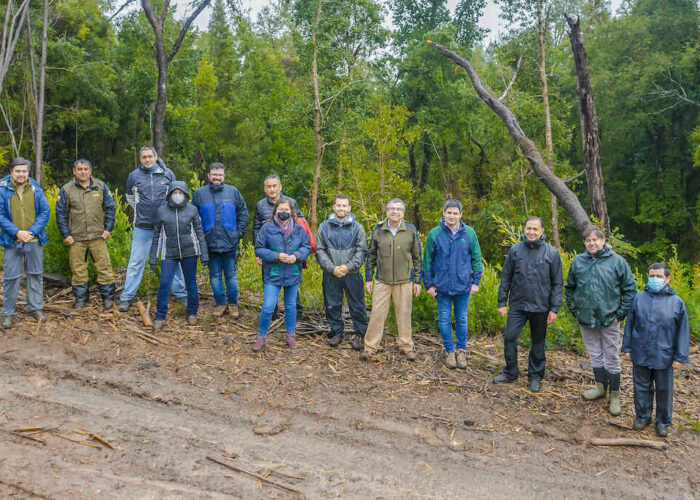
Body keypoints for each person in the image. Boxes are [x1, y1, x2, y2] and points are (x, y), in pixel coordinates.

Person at [565, 227, 636, 416]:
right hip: (586, 319)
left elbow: (630, 290)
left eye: (595, 239)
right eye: (588, 240)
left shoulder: (617, 262)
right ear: (584, 243)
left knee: (611, 357)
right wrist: (575, 310)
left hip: (609, 319)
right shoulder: (578, 262)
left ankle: (615, 395)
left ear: (603, 241)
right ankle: (600, 388)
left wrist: (620, 314)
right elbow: (569, 288)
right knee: (595, 355)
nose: (592, 243)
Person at [493, 216, 563, 392]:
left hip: (541, 306)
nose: (531, 232)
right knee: (509, 338)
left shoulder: (551, 253)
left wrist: (554, 308)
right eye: (528, 228)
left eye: (535, 229)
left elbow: (557, 283)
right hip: (518, 305)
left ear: (542, 232)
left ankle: (535, 376)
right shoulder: (515, 251)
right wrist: (502, 301)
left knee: (538, 342)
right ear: (524, 229)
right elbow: (506, 277)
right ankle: (510, 372)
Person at [622, 263, 690, 437]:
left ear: (667, 279)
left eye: (659, 277)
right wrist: (627, 347)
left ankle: (662, 421)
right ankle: (643, 416)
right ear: (647, 276)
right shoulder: (639, 298)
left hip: (664, 354)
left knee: (664, 389)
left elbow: (682, 332)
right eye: (652, 276)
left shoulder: (676, 303)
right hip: (640, 350)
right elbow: (630, 324)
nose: (655, 279)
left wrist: (680, 357)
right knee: (641, 386)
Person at [119, 146, 187, 311]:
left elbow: (175, 197)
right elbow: (130, 198)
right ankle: (126, 297)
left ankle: (181, 294)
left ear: (156, 157)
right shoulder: (133, 176)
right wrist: (141, 210)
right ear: (140, 159)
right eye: (144, 157)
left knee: (173, 261)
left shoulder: (168, 174)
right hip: (142, 228)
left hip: (165, 228)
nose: (147, 160)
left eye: (150, 156)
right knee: (135, 263)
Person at [423, 199, 483, 370]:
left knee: (462, 319)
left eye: (455, 213)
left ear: (461, 215)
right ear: (443, 213)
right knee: (443, 319)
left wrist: (475, 282)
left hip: (463, 286)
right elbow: (427, 261)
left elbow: (476, 259)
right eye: (449, 212)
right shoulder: (434, 234)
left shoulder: (469, 233)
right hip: (441, 286)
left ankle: (461, 350)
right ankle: (450, 351)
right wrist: (428, 285)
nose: (452, 216)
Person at [361, 198, 422, 361]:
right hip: (382, 281)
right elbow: (371, 256)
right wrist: (368, 279)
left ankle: (406, 346)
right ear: (387, 211)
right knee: (377, 314)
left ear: (403, 212)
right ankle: (370, 347)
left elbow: (417, 257)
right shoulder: (378, 230)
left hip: (404, 281)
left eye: (399, 209)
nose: (395, 212)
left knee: (404, 314)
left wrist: (417, 280)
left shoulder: (410, 230)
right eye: (392, 209)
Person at [55, 159, 117, 310]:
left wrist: (108, 228)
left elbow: (110, 208)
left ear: (90, 171)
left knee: (104, 267)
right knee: (78, 269)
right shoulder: (66, 189)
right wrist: (65, 235)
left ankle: (108, 299)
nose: (83, 172)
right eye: (79, 169)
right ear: (74, 171)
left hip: (98, 236)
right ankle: (81, 299)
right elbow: (60, 213)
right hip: (76, 238)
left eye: (86, 169)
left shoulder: (100, 186)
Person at [149, 181, 208, 330]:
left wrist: (204, 253)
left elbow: (199, 233)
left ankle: (192, 312)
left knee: (191, 283)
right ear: (170, 194)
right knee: (164, 283)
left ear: (185, 194)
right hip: (169, 252)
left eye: (180, 192)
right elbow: (157, 236)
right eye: (174, 192)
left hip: (190, 252)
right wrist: (153, 256)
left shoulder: (192, 210)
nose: (177, 195)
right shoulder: (162, 211)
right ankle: (160, 316)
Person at [253, 199, 311, 352]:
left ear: (291, 212)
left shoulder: (299, 229)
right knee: (268, 306)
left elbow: (307, 246)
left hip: (292, 272)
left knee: (291, 306)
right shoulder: (267, 228)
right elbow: (259, 248)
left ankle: (290, 334)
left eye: (286, 209)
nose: (283, 212)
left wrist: (297, 255)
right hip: (273, 272)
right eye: (280, 209)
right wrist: (276, 255)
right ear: (275, 211)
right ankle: (261, 336)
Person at [192, 163, 248, 319]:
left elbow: (243, 213)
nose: (217, 177)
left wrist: (238, 233)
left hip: (230, 243)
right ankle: (221, 303)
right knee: (215, 276)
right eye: (214, 174)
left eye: (220, 175)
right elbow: (193, 217)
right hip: (209, 244)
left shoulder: (233, 192)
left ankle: (233, 304)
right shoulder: (199, 194)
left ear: (224, 176)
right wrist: (200, 238)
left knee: (231, 276)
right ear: (209, 176)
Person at [0, 157, 49, 328]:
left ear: (28, 172)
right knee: (11, 278)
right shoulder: (2, 188)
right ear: (12, 172)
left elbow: (44, 212)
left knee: (35, 274)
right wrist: (17, 232)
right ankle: (7, 314)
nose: (21, 174)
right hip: (11, 240)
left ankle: (36, 308)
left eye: (24, 171)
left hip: (34, 239)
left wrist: (31, 232)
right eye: (18, 171)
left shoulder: (35, 188)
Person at [316, 195, 368, 350]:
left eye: (344, 206)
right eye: (338, 205)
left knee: (357, 305)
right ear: (334, 207)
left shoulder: (357, 227)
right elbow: (319, 250)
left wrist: (348, 267)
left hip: (352, 273)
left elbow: (362, 250)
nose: (341, 208)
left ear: (349, 208)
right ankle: (337, 332)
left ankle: (359, 333)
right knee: (332, 304)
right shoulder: (324, 227)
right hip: (331, 273)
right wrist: (332, 268)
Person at [252, 174, 305, 319]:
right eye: (269, 187)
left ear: (280, 187)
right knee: (269, 282)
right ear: (265, 189)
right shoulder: (260, 205)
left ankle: (297, 315)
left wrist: (300, 252)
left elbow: (301, 224)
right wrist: (258, 253)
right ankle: (272, 314)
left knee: (292, 284)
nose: (272, 189)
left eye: (274, 186)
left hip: (290, 252)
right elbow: (256, 228)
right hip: (270, 252)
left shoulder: (291, 202)